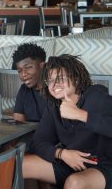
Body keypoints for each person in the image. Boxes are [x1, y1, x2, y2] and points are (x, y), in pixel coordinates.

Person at [23, 54, 112, 189]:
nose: (55, 84)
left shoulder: (97, 97)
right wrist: (62, 154)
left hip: (103, 165)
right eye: (50, 80)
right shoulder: (53, 105)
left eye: (61, 78)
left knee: (75, 182)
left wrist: (81, 115)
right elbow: (38, 141)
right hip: (71, 162)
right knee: (22, 164)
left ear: (76, 79)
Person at [12, 43, 47, 122]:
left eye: (27, 68)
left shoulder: (56, 90)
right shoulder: (23, 91)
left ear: (42, 65)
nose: (23, 74)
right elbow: (18, 123)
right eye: (19, 70)